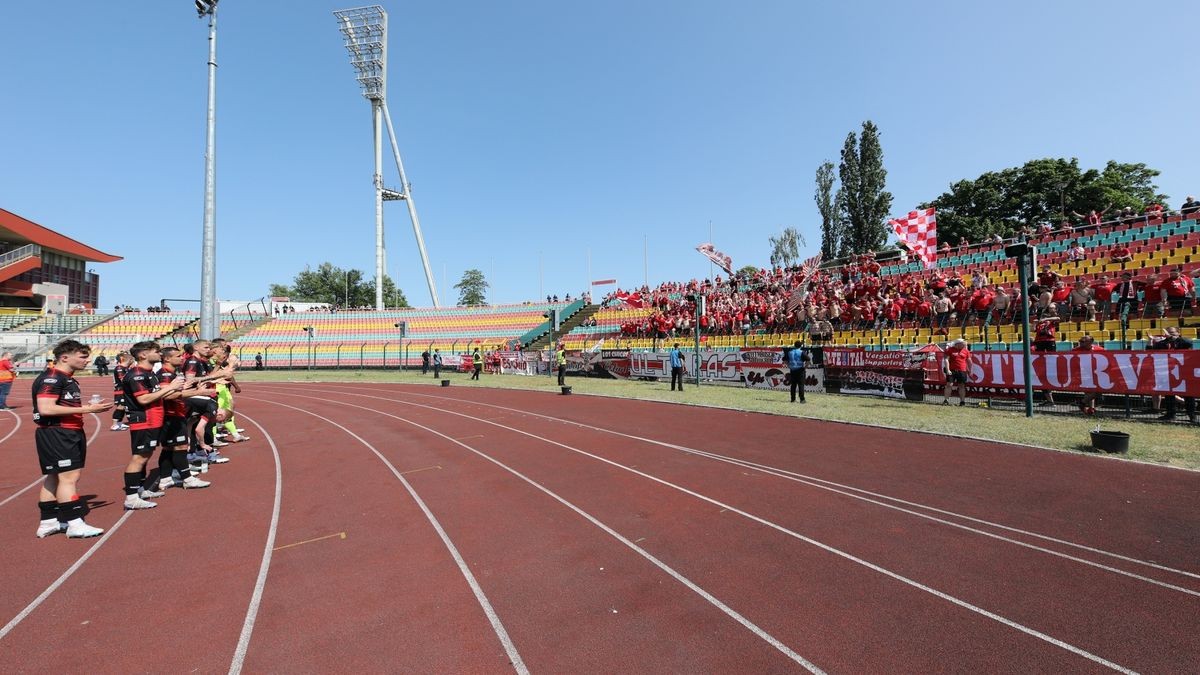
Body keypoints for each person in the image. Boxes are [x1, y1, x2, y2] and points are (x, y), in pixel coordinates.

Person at [32, 340, 116, 539]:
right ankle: (75, 524)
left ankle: (48, 522)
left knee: (55, 476)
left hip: (63, 432)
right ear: (64, 357)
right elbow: (46, 408)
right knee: (69, 478)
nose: (87, 361)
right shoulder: (53, 378)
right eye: (83, 356)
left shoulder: (65, 378)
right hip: (60, 433)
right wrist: (88, 409)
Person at [120, 341, 188, 510]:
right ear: (143, 355)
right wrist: (170, 388)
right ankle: (131, 497)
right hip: (143, 420)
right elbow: (143, 399)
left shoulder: (148, 373)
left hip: (153, 420)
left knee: (145, 456)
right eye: (156, 351)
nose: (159, 354)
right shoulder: (137, 374)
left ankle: (140, 490)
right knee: (139, 458)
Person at [156, 347, 212, 490]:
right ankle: (187, 479)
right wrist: (198, 391)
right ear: (167, 358)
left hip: (174, 414)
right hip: (171, 415)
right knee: (181, 446)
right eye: (178, 356)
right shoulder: (165, 375)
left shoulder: (170, 373)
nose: (182, 358)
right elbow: (167, 395)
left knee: (169, 448)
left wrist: (187, 389)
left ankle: (165, 478)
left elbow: (174, 392)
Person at [1151, 327, 1196, 423]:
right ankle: (1170, 414)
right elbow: (1154, 349)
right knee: (1169, 394)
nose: (1170, 335)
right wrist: (1153, 341)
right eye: (1168, 333)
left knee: (1188, 395)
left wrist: (1174, 338)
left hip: (1184, 371)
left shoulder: (1183, 341)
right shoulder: (1163, 343)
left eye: (1172, 333)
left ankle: (1192, 415)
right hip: (1168, 372)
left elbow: (1189, 343)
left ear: (1178, 333)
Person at [1071, 335, 1105, 415]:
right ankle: (1091, 409)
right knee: (1088, 392)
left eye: (1083, 342)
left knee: (1098, 391)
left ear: (1090, 342)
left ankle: (1082, 403)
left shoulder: (1099, 349)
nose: (1080, 343)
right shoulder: (1075, 350)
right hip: (1083, 373)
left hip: (1097, 373)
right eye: (1080, 341)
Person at [942, 338, 970, 406]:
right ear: (957, 344)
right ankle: (946, 400)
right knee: (949, 384)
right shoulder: (949, 350)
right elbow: (946, 360)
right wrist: (948, 369)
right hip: (952, 370)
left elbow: (969, 360)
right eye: (963, 344)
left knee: (962, 385)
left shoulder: (966, 351)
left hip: (962, 370)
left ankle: (962, 401)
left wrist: (969, 369)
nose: (964, 345)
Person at [110, 351, 131, 431]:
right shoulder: (120, 368)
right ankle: (114, 425)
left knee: (124, 407)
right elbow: (123, 379)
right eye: (129, 358)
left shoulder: (126, 368)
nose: (131, 359)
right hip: (120, 390)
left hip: (125, 390)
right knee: (121, 406)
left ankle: (119, 423)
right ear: (123, 359)